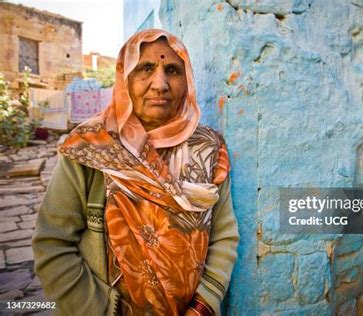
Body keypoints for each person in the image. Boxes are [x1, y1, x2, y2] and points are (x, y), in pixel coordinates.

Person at [32, 29, 239, 316]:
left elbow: (224, 234)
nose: (160, 83)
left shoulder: (209, 149)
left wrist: (203, 305)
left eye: (172, 70)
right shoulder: (91, 148)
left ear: (187, 80)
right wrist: (105, 311)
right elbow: (53, 245)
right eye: (145, 69)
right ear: (125, 77)